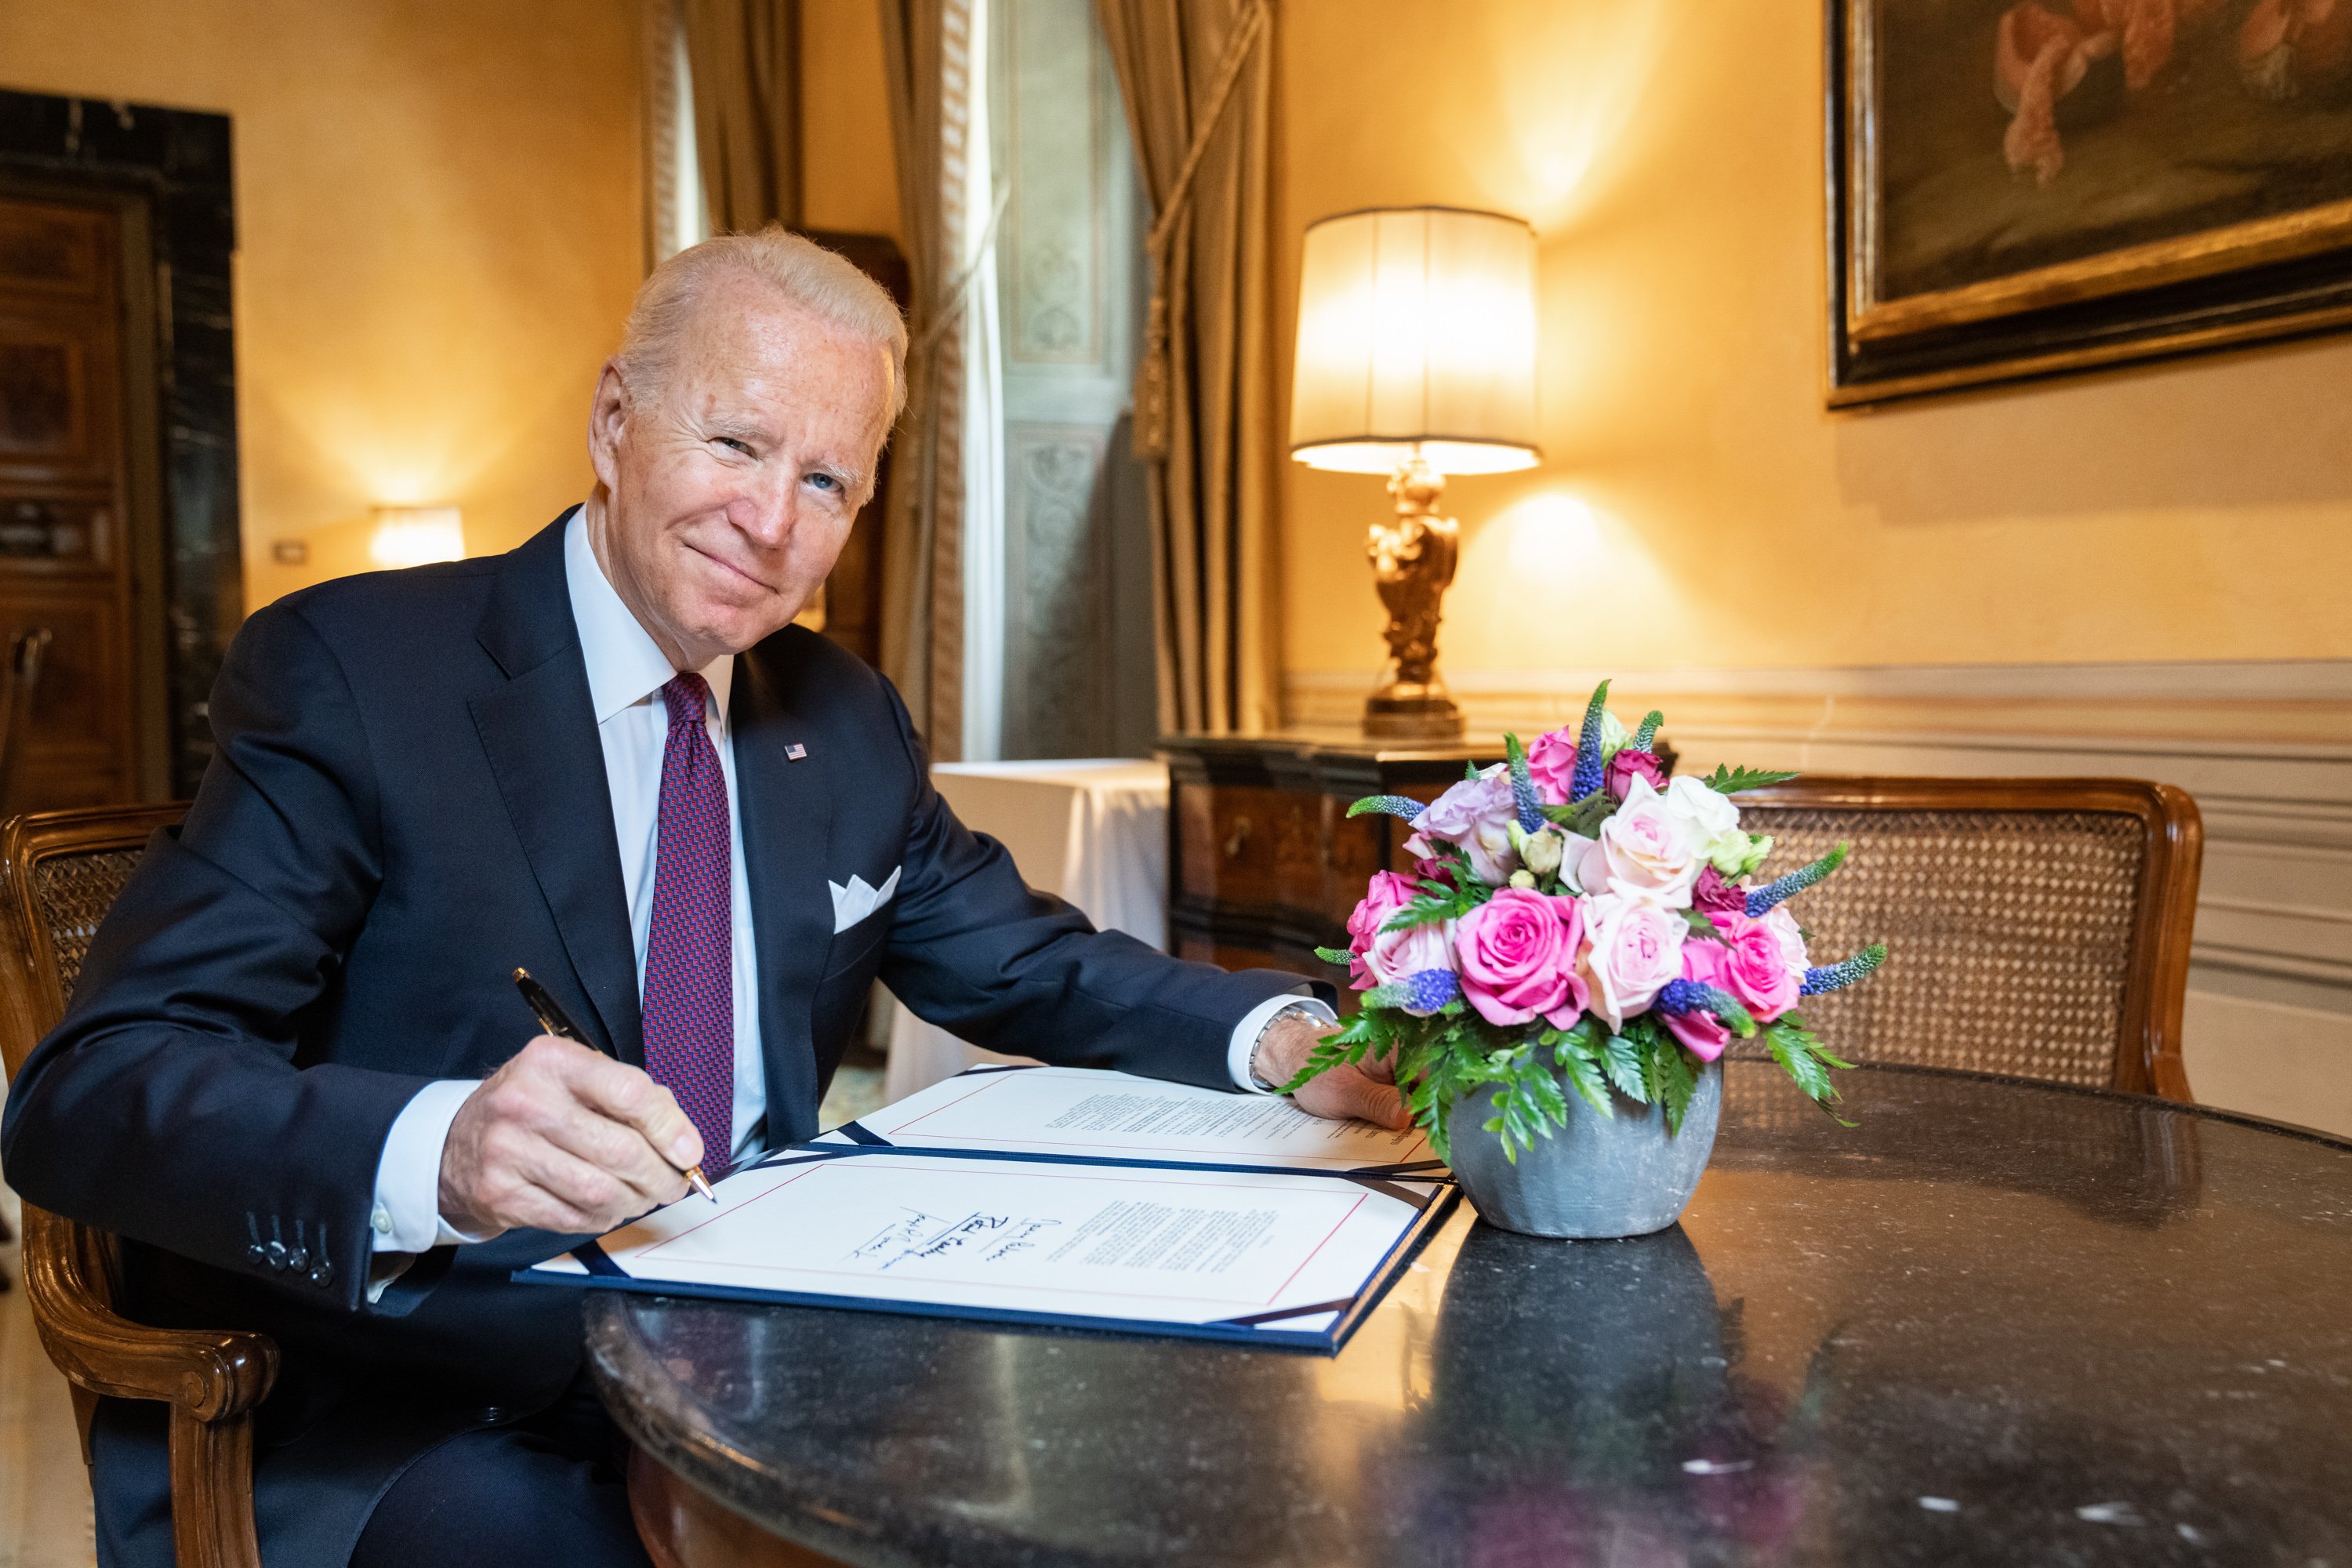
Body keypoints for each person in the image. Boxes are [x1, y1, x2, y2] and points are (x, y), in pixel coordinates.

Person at [0, 228, 1405, 1568]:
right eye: (734, 443)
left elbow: (1029, 959)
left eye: (826, 482)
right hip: (436, 1401)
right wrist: (441, 1148)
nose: (768, 521)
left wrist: (1289, 1041)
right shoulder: (362, 674)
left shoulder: (842, 715)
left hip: (773, 1353)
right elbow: (96, 1092)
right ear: (615, 422)